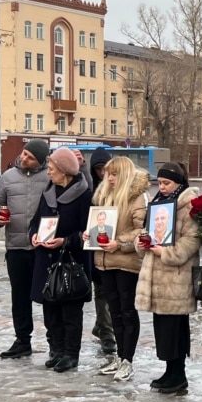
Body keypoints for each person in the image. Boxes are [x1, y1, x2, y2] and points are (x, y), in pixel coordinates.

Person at [135, 162, 200, 392]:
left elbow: (192, 239)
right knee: (162, 327)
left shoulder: (187, 205)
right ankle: (169, 370)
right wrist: (142, 242)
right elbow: (147, 231)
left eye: (166, 183)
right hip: (157, 275)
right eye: (159, 182)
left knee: (174, 328)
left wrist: (167, 252)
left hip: (176, 277)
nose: (161, 187)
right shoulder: (159, 202)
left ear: (179, 183)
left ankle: (177, 372)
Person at [30, 148, 93, 372]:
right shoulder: (48, 191)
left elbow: (90, 232)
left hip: (71, 263)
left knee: (70, 312)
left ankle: (70, 354)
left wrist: (65, 241)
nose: (48, 173)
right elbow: (34, 222)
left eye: (51, 169)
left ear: (64, 171)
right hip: (46, 260)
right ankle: (55, 349)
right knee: (51, 310)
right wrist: (34, 236)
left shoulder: (85, 196)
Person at [0, 138, 50, 359]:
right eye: (24, 154)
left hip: (42, 246)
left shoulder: (49, 177)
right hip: (15, 246)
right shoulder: (8, 177)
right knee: (20, 297)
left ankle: (54, 342)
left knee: (48, 296)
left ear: (41, 161)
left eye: (30, 157)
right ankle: (22, 340)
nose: (24, 158)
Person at [92, 156, 149, 382]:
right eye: (108, 174)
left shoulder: (138, 197)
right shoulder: (104, 195)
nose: (110, 178)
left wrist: (120, 243)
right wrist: (91, 233)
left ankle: (128, 359)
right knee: (113, 310)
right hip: (105, 259)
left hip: (126, 261)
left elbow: (142, 230)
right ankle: (118, 355)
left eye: (114, 174)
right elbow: (98, 223)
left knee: (127, 310)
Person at [88, 149, 118, 357]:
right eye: (97, 169)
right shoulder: (91, 190)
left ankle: (102, 327)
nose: (101, 173)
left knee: (111, 294)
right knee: (101, 292)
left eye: (104, 169)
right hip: (97, 247)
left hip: (115, 247)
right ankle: (106, 334)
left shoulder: (118, 189)